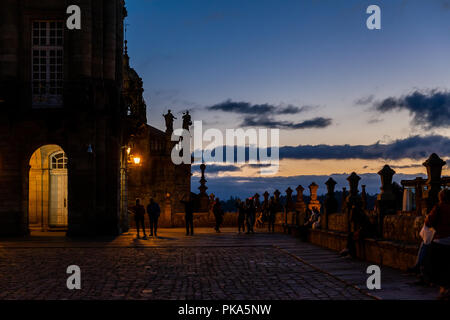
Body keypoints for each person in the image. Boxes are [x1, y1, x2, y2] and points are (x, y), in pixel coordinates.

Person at [411, 189, 450, 284]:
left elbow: (428, 223)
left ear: (440, 198)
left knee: (425, 244)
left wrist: (428, 217)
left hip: (440, 239)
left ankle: (419, 267)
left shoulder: (439, 207)